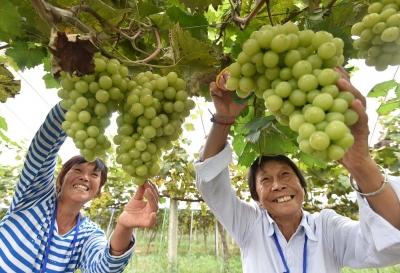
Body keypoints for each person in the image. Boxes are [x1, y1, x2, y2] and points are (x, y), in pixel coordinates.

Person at [195, 67, 400, 273]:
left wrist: (361, 166)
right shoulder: (249, 225)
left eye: (285, 175)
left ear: (303, 186)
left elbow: (389, 243)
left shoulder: (328, 229)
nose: (277, 185)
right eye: (265, 180)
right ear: (257, 198)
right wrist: (224, 120)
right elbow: (211, 184)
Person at [0, 102, 159, 273]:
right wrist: (75, 100)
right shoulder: (34, 198)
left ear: (98, 191)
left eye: (94, 175)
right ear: (61, 178)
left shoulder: (87, 233)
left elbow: (103, 268)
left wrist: (124, 227)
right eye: (78, 170)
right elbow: (41, 151)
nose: (85, 177)